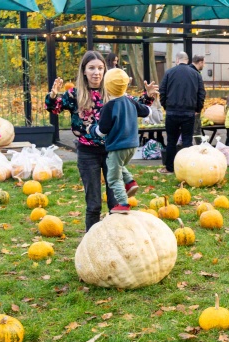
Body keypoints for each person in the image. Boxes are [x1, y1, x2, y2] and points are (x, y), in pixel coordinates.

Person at [45, 51, 157, 231]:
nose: (96, 72)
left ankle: (115, 238)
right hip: (87, 152)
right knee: (94, 203)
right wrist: (52, 95)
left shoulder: (113, 92)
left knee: (115, 202)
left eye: (100, 68)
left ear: (105, 70)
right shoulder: (75, 94)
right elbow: (55, 108)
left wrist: (148, 96)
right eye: (91, 68)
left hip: (112, 151)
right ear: (84, 71)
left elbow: (135, 104)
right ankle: (92, 241)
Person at [88, 68, 152, 213]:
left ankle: (123, 203)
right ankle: (130, 182)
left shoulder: (108, 107)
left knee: (113, 177)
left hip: (117, 146)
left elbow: (101, 131)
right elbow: (147, 111)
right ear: (125, 85)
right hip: (133, 145)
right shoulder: (131, 102)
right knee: (117, 164)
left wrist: (91, 129)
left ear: (107, 87)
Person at [158, 51, 206, 174]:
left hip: (172, 112)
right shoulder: (196, 74)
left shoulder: (169, 72)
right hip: (189, 113)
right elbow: (201, 94)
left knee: (171, 141)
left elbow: (162, 92)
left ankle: (169, 167)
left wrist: (165, 106)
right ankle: (187, 167)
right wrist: (197, 109)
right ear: (187, 60)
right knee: (187, 141)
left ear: (177, 60)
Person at [189, 55, 206, 143]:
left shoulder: (187, 71)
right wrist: (198, 108)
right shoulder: (196, 74)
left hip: (184, 105)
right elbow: (201, 92)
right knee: (196, 129)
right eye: (204, 63)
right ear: (200, 62)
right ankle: (201, 148)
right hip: (194, 106)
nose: (204, 65)